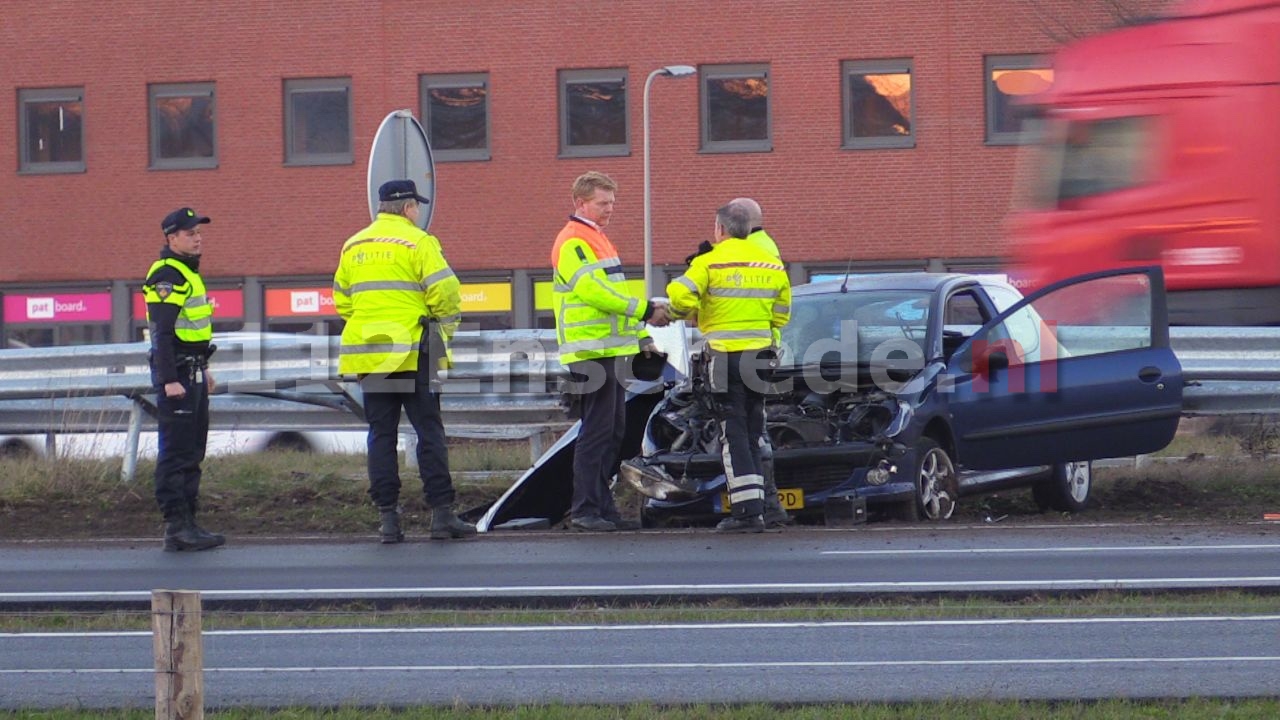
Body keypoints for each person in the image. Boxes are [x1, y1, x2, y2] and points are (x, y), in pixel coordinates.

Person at [333, 179, 476, 544]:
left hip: (371, 352)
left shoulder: (353, 244)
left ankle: (388, 521)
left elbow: (342, 301)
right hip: (414, 349)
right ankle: (441, 515)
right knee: (429, 431)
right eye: (417, 206)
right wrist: (444, 328)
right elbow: (446, 292)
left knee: (381, 435)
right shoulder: (419, 241)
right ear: (409, 207)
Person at [552, 171, 669, 532]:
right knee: (598, 432)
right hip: (589, 354)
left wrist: (640, 337)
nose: (610, 209)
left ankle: (599, 506)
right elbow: (595, 294)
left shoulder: (597, 240)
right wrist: (645, 311)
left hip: (607, 352)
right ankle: (586, 508)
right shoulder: (573, 241)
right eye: (603, 203)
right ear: (580, 203)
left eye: (613, 203)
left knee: (613, 431)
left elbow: (614, 294)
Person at [666, 201, 790, 533]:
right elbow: (782, 314)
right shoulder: (773, 265)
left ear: (719, 229)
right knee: (752, 429)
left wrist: (694, 309)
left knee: (732, 432)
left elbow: (680, 296)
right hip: (762, 356)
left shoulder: (709, 262)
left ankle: (747, 513)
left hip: (724, 358)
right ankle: (762, 508)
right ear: (750, 229)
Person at [144, 207, 224, 552]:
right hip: (177, 375)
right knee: (176, 452)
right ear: (172, 238)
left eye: (198, 232)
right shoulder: (168, 274)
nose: (197, 237)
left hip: (192, 370)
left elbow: (191, 332)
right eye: (190, 233)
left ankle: (190, 522)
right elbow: (161, 333)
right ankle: (176, 526)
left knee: (193, 450)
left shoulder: (188, 273)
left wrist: (203, 367)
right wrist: (168, 379)